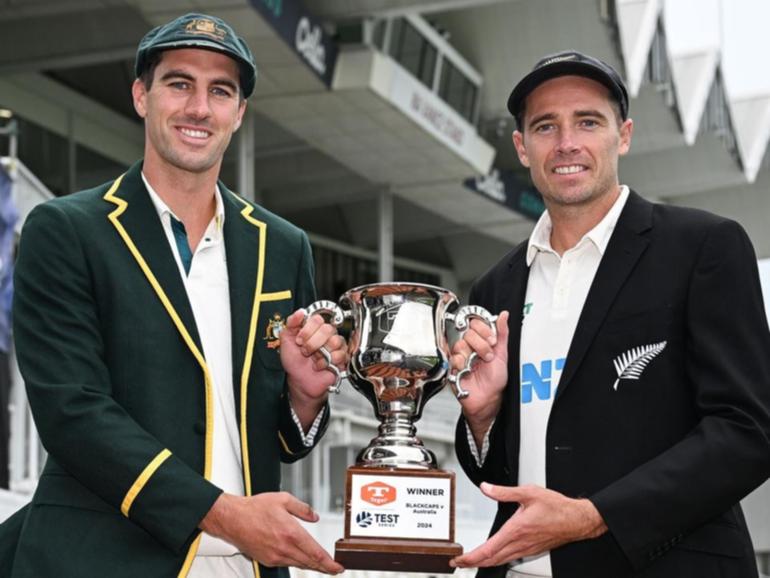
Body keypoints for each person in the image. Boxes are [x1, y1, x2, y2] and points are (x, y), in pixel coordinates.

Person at [0, 12, 346, 578]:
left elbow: (280, 438)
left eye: (220, 91)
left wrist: (304, 399)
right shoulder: (66, 229)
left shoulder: (283, 245)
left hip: (245, 565)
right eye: (179, 83)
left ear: (239, 113)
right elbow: (73, 411)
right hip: (102, 559)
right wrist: (223, 514)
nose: (198, 108)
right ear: (142, 95)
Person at [449, 50, 770, 578]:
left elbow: (747, 431)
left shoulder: (703, 247)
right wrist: (482, 419)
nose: (567, 143)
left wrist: (594, 516)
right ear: (522, 148)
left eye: (588, 122)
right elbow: (500, 471)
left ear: (622, 135)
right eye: (545, 126)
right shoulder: (495, 286)